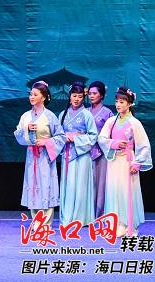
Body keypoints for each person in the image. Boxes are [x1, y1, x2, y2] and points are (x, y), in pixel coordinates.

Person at [97, 87, 152, 237]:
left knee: (128, 191)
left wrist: (137, 163)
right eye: (117, 101)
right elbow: (101, 138)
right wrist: (113, 143)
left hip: (128, 161)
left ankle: (129, 225)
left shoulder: (134, 123)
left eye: (122, 102)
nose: (118, 105)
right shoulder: (111, 121)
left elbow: (144, 145)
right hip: (114, 161)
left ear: (129, 104)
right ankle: (117, 224)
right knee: (114, 190)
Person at [14, 80, 65, 227]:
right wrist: (26, 129)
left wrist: (46, 142)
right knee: (33, 186)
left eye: (35, 94)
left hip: (45, 156)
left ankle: (46, 223)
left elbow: (60, 137)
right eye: (31, 94)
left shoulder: (50, 116)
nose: (32, 97)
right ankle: (36, 221)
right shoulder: (25, 116)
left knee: (46, 186)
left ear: (43, 97)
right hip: (31, 156)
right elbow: (17, 134)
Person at [57, 81, 98, 226]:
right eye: (74, 96)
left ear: (83, 98)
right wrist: (65, 137)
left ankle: (80, 218)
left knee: (80, 186)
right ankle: (67, 217)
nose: (77, 99)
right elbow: (57, 135)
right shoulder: (63, 114)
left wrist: (77, 138)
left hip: (82, 155)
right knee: (68, 185)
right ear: (70, 96)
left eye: (80, 96)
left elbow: (93, 136)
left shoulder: (87, 115)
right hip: (67, 153)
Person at [87, 81, 114, 217]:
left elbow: (112, 134)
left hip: (101, 153)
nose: (91, 96)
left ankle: (99, 213)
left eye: (94, 93)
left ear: (101, 95)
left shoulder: (108, 113)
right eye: (89, 93)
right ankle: (86, 212)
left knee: (100, 183)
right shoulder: (85, 112)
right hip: (85, 152)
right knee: (87, 183)